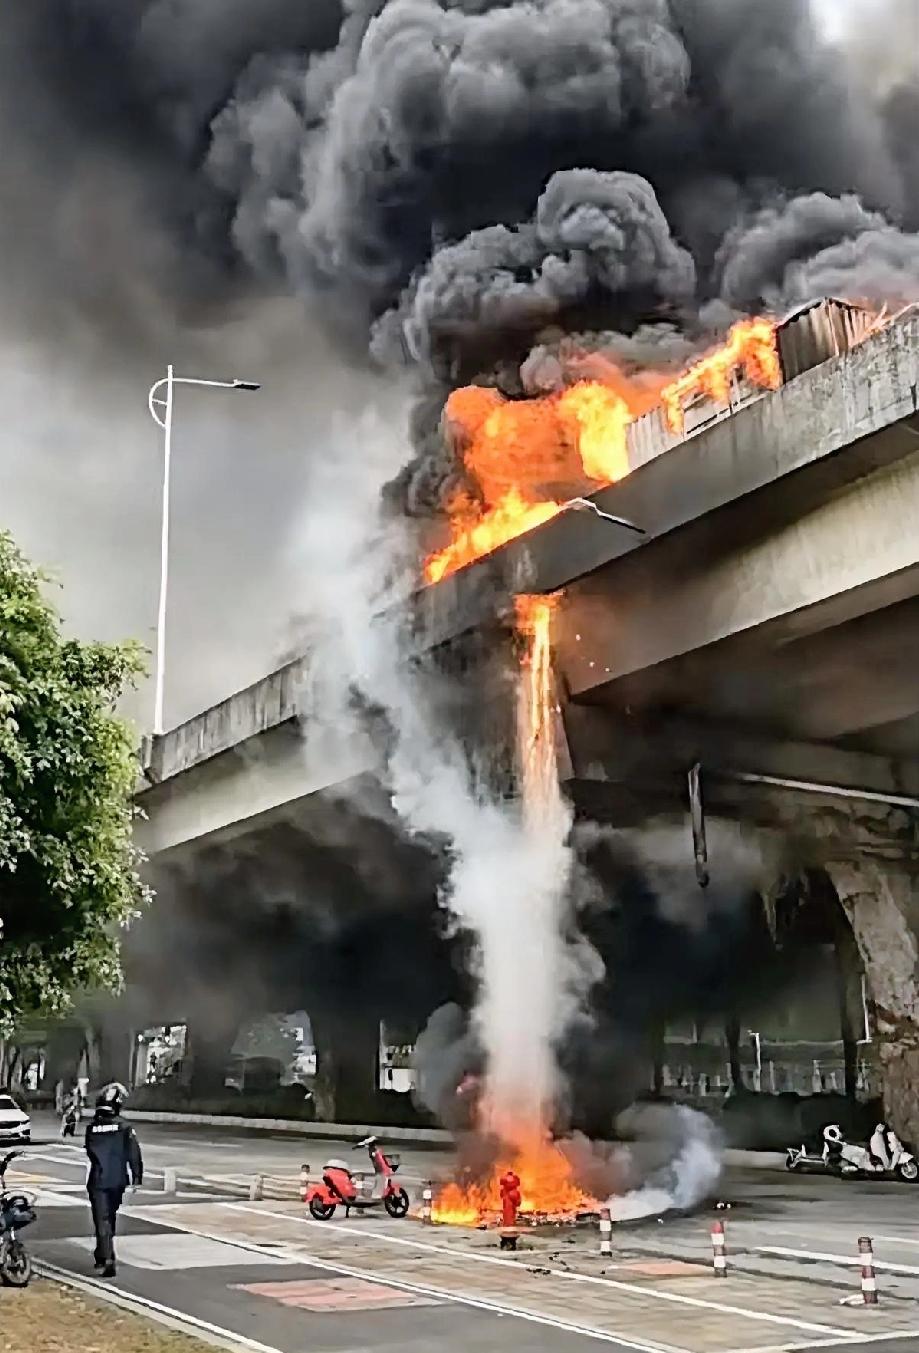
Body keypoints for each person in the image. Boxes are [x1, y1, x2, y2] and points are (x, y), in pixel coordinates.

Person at [84, 1082, 143, 1277]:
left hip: (98, 1180)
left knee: (102, 1219)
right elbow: (134, 1153)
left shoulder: (92, 1129)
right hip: (118, 1180)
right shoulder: (125, 1127)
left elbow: (90, 1153)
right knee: (110, 1217)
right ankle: (103, 1253)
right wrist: (136, 1177)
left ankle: (107, 1256)